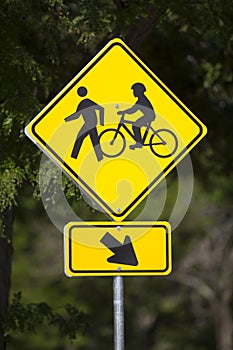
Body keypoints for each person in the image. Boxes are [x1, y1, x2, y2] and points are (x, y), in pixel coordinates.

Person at [65, 86, 104, 162]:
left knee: (80, 138)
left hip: (90, 123)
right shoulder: (83, 103)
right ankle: (100, 158)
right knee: (94, 140)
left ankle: (73, 157)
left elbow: (101, 108)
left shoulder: (86, 102)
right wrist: (67, 120)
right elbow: (77, 116)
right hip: (91, 123)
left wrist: (102, 121)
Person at [117, 82, 155, 149]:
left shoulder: (142, 100)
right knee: (136, 124)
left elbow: (133, 110)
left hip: (149, 116)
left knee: (135, 126)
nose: (133, 92)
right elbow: (133, 109)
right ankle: (139, 142)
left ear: (138, 91)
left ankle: (139, 143)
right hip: (149, 115)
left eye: (134, 91)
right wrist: (124, 112)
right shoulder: (141, 99)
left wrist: (123, 112)